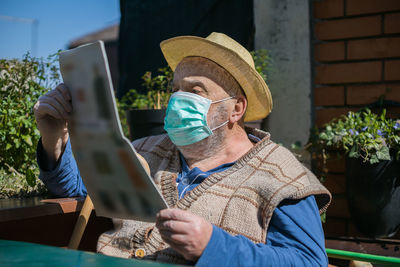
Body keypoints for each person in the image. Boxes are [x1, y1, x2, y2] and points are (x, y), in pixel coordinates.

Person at [34, 32, 331, 266]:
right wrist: (55, 140)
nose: (177, 99)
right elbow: (80, 190)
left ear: (236, 109)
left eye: (194, 90)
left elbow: (308, 262)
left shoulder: (282, 178)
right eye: (175, 89)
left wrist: (212, 246)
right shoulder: (143, 151)